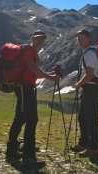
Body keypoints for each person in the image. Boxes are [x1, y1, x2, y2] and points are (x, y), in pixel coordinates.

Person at [5, 30, 59, 167]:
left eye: (42, 39)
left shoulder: (33, 53)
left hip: (27, 88)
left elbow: (34, 73)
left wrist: (51, 73)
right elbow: (32, 69)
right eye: (37, 38)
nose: (40, 41)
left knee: (21, 118)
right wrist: (50, 77)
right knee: (31, 119)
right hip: (24, 89)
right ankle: (28, 156)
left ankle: (12, 151)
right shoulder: (29, 50)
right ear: (33, 38)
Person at [71, 28, 98, 158]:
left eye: (82, 38)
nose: (80, 41)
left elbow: (89, 74)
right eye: (78, 39)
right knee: (82, 117)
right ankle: (84, 143)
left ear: (89, 39)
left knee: (91, 119)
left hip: (91, 88)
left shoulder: (90, 54)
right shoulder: (88, 53)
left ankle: (94, 148)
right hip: (89, 88)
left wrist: (79, 84)